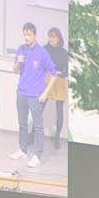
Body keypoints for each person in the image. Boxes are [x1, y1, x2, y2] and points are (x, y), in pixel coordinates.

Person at [10, 23, 57, 168]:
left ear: (34, 35)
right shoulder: (21, 49)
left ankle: (37, 155)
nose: (26, 37)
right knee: (22, 123)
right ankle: (23, 150)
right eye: (24, 34)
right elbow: (15, 71)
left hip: (36, 96)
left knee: (37, 126)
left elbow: (54, 75)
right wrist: (18, 62)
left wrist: (45, 93)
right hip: (22, 92)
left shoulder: (42, 53)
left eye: (29, 34)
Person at [43, 28, 69, 148]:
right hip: (46, 80)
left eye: (54, 37)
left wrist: (59, 72)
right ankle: (33, 134)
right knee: (39, 107)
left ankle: (57, 137)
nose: (52, 39)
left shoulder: (64, 53)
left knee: (59, 110)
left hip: (59, 81)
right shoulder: (44, 49)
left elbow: (66, 70)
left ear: (59, 38)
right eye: (50, 36)